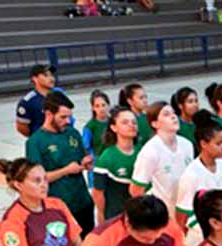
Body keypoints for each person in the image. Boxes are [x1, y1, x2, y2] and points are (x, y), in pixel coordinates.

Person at [25, 91, 95, 237]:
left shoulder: (72, 133)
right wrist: (66, 170)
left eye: (69, 116)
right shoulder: (35, 142)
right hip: (58, 207)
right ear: (49, 114)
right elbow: (38, 179)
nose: (68, 121)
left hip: (83, 202)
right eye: (63, 117)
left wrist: (86, 162)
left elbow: (81, 158)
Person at [175, 111, 222, 246]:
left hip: (219, 232)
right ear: (204, 144)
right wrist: (181, 245)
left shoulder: (221, 164)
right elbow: (181, 215)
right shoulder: (192, 175)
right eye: (219, 143)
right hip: (197, 238)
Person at [131, 101, 195, 216]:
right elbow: (135, 190)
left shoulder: (187, 144)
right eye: (166, 114)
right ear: (155, 123)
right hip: (164, 214)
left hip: (187, 210)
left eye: (174, 113)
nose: (173, 117)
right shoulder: (150, 151)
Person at [93, 107, 139, 224]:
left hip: (140, 215)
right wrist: (101, 218)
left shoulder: (143, 151)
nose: (131, 125)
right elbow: (98, 193)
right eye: (125, 122)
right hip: (116, 217)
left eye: (134, 122)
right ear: (113, 127)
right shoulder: (107, 158)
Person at [16, 64, 56, 138]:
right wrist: (37, 138)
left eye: (51, 75)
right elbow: (22, 128)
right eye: (46, 75)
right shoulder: (28, 102)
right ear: (35, 78)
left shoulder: (58, 95)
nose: (51, 79)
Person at [82, 90, 110, 162]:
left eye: (103, 105)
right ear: (93, 108)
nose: (101, 109)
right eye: (97, 106)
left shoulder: (114, 122)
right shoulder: (90, 127)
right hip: (98, 160)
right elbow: (85, 147)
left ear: (108, 105)